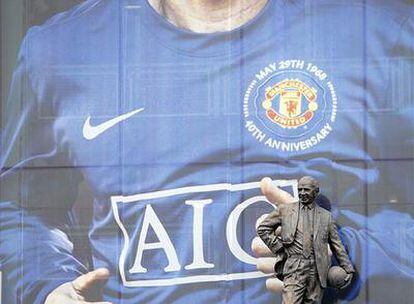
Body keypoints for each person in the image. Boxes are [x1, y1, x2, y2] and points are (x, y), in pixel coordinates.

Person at [0, 0, 413, 303]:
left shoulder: (378, 31)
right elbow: (19, 207)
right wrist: (48, 286)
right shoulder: (60, 50)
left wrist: (348, 257)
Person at [257, 176, 354, 303]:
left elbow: (337, 245)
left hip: (317, 268)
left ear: (315, 191)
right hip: (294, 266)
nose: (302, 193)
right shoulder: (285, 210)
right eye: (300, 189)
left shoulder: (326, 217)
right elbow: (263, 228)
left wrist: (348, 268)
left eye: (306, 190)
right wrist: (279, 248)